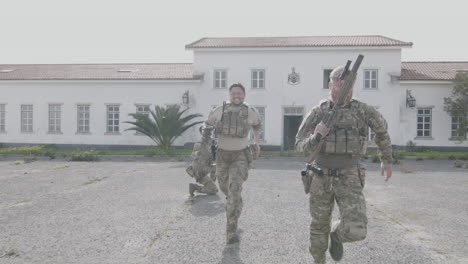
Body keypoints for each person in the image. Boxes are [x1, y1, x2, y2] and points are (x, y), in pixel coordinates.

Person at [295, 65, 393, 263]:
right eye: (339, 84)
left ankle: (336, 235)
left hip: (350, 174)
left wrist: (386, 159)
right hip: (320, 175)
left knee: (357, 229)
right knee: (318, 225)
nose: (343, 89)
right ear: (331, 84)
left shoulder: (363, 110)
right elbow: (299, 146)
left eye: (348, 85)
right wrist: (317, 135)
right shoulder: (318, 112)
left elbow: (382, 132)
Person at [204, 83, 262, 244]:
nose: (237, 96)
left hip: (240, 156)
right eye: (234, 93)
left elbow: (258, 125)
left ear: (244, 95)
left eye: (240, 94)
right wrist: (205, 131)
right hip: (222, 156)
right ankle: (235, 202)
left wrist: (256, 141)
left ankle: (231, 232)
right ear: (229, 94)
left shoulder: (250, 111)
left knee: (234, 189)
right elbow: (207, 124)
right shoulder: (220, 109)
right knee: (224, 187)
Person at [186, 126, 218, 196]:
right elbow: (193, 156)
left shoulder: (209, 145)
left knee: (216, 167)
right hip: (199, 173)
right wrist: (198, 154)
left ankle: (210, 184)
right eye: (209, 138)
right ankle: (194, 187)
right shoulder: (200, 145)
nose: (211, 140)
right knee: (214, 190)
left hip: (204, 169)